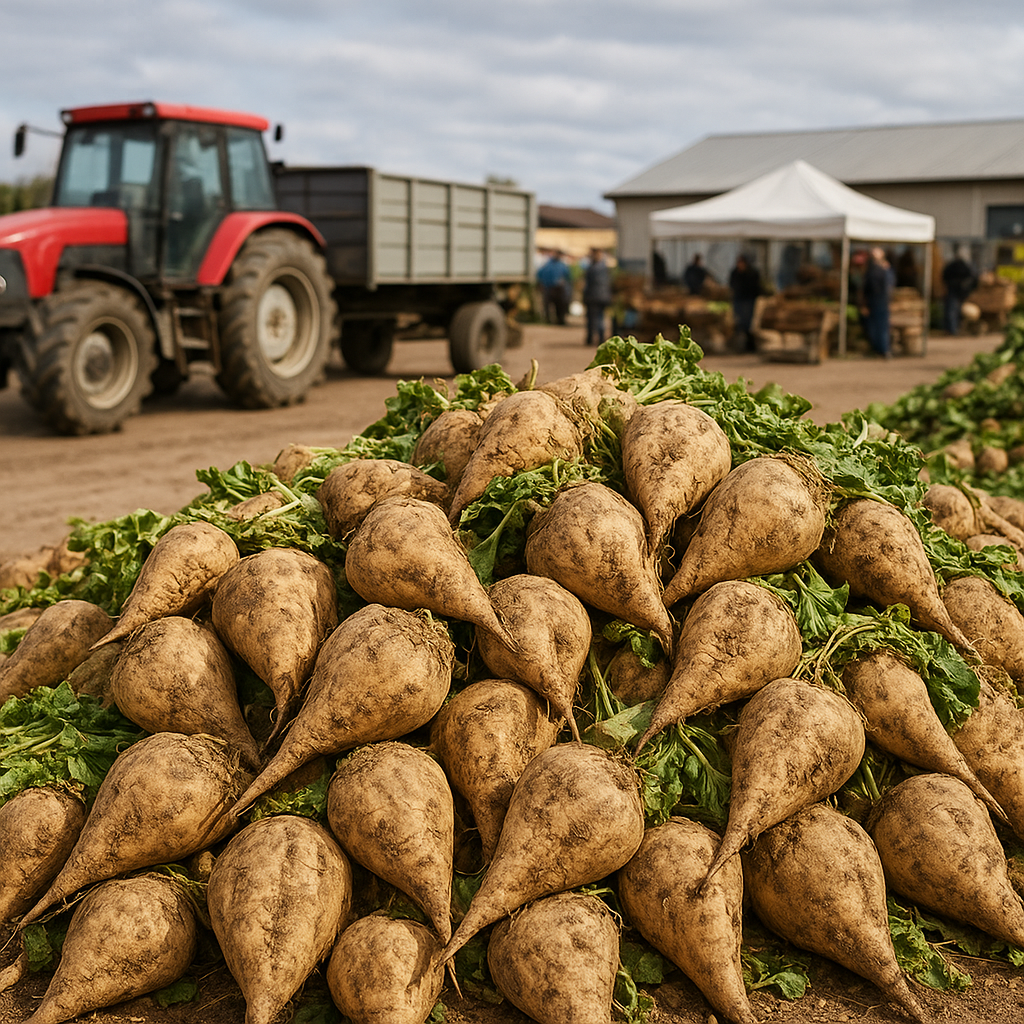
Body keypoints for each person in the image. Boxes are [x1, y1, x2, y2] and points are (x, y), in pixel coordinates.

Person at [861, 246, 895, 358]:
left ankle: (883, 349)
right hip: (875, 300)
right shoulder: (873, 270)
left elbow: (890, 285)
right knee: (876, 326)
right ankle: (880, 349)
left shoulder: (883, 270)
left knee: (881, 326)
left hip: (881, 300)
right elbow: (866, 288)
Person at [729, 253, 762, 352]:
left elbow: (755, 287)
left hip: (748, 300)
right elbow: (732, 285)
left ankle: (750, 346)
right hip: (738, 299)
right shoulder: (735, 273)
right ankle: (741, 346)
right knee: (739, 322)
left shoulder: (752, 273)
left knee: (748, 323)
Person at [942, 246, 978, 336]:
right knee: (952, 310)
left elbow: (973, 278)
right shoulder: (954, 265)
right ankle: (952, 330)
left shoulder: (963, 266)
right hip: (955, 290)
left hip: (960, 291)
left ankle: (954, 329)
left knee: (955, 310)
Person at [582, 248, 613, 347]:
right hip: (604, 297)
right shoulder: (605, 268)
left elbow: (587, 284)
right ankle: (600, 338)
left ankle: (590, 338)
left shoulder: (592, 268)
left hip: (593, 297)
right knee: (601, 318)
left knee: (593, 319)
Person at [536, 250, 572, 325]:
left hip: (559, 289)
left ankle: (560, 320)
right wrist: (542, 284)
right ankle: (548, 320)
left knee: (560, 306)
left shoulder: (562, 265)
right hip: (548, 288)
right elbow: (540, 274)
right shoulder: (547, 264)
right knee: (547, 306)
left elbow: (568, 277)